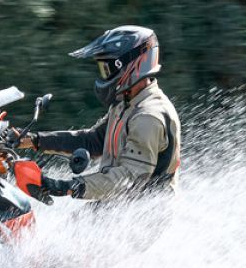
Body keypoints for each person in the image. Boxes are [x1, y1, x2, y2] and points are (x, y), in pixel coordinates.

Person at [16, 25, 181, 201]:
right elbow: (93, 141)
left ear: (132, 65)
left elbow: (130, 178)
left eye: (107, 69)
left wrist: (69, 187)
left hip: (144, 218)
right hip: (118, 207)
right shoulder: (127, 103)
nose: (104, 76)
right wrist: (34, 140)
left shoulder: (148, 116)